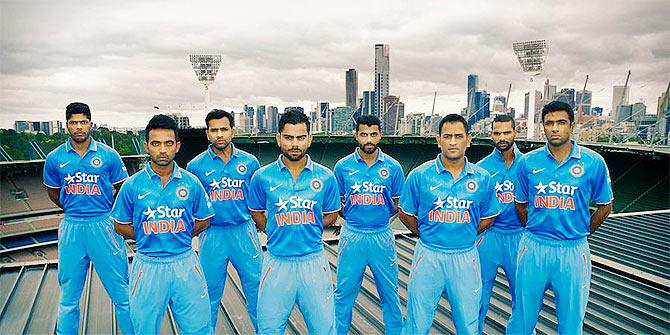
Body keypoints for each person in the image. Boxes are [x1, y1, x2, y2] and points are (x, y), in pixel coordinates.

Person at [514, 101, 613, 334]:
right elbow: (520, 204)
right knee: (522, 318)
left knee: (571, 322)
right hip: (534, 246)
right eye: (549, 123)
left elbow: (604, 206)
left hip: (573, 249)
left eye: (561, 123)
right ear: (542, 127)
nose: (555, 128)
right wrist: (533, 227)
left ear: (572, 125)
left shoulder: (593, 162)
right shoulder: (528, 162)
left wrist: (584, 231)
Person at [111, 114, 214, 334]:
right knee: (144, 329)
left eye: (168, 143)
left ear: (177, 146)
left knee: (199, 328)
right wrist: (150, 236)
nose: (163, 150)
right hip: (147, 266)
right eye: (156, 143)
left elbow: (204, 219)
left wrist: (181, 235)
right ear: (146, 145)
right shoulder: (132, 185)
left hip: (185, 261)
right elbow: (119, 225)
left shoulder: (191, 182)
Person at [398, 114, 500, 335]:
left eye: (458, 136)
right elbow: (405, 213)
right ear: (438, 140)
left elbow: (490, 216)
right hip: (429, 255)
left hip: (465, 256)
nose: (453, 142)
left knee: (468, 323)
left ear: (469, 140)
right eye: (447, 137)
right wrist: (426, 234)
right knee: (417, 322)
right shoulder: (420, 175)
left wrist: (468, 232)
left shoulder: (483, 178)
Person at [43, 102, 133, 335]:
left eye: (83, 122)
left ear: (91, 123)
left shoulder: (108, 155)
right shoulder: (55, 158)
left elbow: (122, 189)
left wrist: (103, 212)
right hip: (72, 226)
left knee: (122, 294)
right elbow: (53, 192)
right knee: (68, 297)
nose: (79, 127)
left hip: (104, 225)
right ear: (67, 126)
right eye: (74, 122)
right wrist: (74, 208)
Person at [247, 110, 341, 334]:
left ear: (309, 139)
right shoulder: (262, 177)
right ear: (279, 139)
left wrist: (306, 225)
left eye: (300, 137)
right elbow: (257, 213)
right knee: (268, 329)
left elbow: (331, 214)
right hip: (277, 262)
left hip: (313, 262)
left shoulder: (326, 176)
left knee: (324, 330)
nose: (295, 144)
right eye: (288, 137)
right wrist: (275, 229)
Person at [186, 109, 262, 332]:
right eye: (214, 130)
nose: (220, 134)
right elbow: (192, 206)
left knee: (256, 289)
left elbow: (259, 201)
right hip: (212, 234)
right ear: (207, 134)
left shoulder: (250, 162)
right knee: (208, 293)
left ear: (233, 131)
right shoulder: (195, 166)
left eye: (224, 129)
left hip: (244, 231)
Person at [333, 114, 404, 334]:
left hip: (382, 235)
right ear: (356, 136)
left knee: (390, 292)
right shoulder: (342, 167)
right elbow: (337, 204)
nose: (369, 139)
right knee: (344, 293)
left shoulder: (393, 167)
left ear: (380, 135)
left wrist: (378, 219)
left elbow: (397, 204)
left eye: (373, 134)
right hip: (352, 234)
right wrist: (356, 218)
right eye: (364, 134)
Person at [475, 114, 524, 334]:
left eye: (506, 132)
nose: (502, 137)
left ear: (515, 132)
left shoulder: (528, 165)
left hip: (519, 236)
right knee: (479, 296)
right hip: (489, 236)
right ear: (490, 135)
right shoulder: (481, 169)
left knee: (523, 297)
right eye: (497, 133)